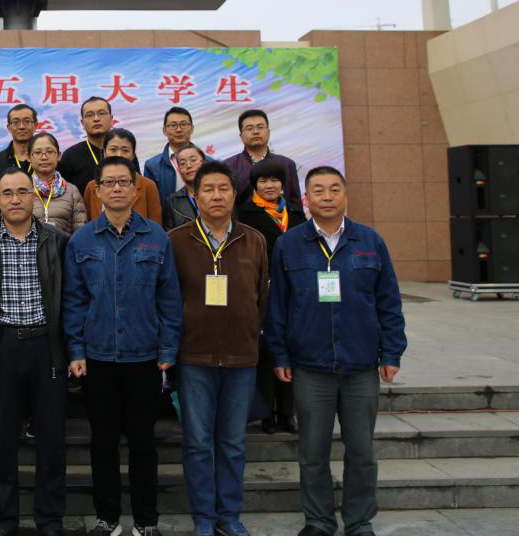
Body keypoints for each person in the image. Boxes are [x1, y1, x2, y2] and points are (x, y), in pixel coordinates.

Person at [265, 166, 407, 536]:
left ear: (345, 195)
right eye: (318, 190)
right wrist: (280, 354)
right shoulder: (289, 244)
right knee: (312, 452)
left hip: (360, 365)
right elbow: (278, 305)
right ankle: (318, 521)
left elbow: (388, 301)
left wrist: (391, 352)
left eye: (334, 189)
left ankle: (359, 521)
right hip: (310, 366)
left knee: (361, 452)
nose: (327, 197)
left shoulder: (369, 241)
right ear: (306, 199)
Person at [63, 156, 183, 536]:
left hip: (144, 357)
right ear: (97, 191)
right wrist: (76, 350)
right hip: (97, 357)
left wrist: (168, 350)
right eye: (109, 182)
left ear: (135, 189)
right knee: (103, 443)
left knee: (144, 444)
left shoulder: (157, 238)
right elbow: (74, 300)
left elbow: (169, 300)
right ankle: (108, 518)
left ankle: (146, 521)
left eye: (123, 182)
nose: (116, 188)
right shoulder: (81, 240)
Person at [169, 161, 270, 536]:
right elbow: (168, 299)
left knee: (232, 443)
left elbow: (262, 299)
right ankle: (204, 518)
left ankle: (229, 516)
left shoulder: (254, 240)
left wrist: (250, 333)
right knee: (198, 443)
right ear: (195, 197)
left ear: (234, 194)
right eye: (208, 189)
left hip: (241, 358)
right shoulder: (176, 240)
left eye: (223, 188)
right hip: (193, 357)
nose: (216, 196)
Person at [0, 167, 69, 536]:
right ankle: (5, 520)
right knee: (2, 440)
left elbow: (69, 299)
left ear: (33, 196)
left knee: (51, 440)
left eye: (22, 191)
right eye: (7, 193)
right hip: (3, 346)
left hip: (46, 346)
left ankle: (50, 519)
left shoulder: (57, 240)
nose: (15, 199)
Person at [235, 159, 307, 434]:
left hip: (293, 289)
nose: (269, 185)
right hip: (261, 289)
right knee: (265, 351)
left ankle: (288, 413)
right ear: (255, 185)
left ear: (283, 184)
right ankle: (266, 413)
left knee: (291, 348)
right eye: (263, 181)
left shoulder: (296, 214)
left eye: (274, 180)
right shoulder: (245, 213)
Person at [82, 129, 162, 225]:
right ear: (104, 152)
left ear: (133, 155)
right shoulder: (92, 187)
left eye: (125, 150)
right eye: (113, 149)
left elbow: (156, 225)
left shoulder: (148, 186)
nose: (119, 155)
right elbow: (88, 225)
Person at [223, 109, 302, 202]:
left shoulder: (286, 164)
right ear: (241, 136)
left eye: (260, 127)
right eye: (249, 128)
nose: (255, 131)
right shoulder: (228, 166)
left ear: (268, 132)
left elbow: (295, 203)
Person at [0, 103, 38, 214]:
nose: (21, 126)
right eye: (16, 122)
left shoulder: (47, 161)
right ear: (9, 127)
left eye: (27, 121)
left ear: (35, 125)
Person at [28, 132, 87, 234]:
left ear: (59, 156)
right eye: (37, 153)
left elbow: (80, 232)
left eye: (50, 152)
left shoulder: (71, 191)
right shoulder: (23, 190)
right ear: (29, 157)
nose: (44, 157)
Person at [58, 97, 114, 196]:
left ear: (111, 119)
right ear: (82, 123)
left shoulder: (123, 151)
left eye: (101, 113)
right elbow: (63, 195)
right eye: (89, 115)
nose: (96, 119)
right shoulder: (71, 155)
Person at [144, 106, 198, 208]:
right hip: (167, 217)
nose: (179, 129)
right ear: (164, 130)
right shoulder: (152, 166)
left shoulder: (207, 162)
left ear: (192, 128)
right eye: (173, 125)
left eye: (183, 124)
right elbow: (150, 203)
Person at [162, 144, 206, 230]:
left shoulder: (221, 191)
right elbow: (171, 234)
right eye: (183, 163)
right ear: (179, 170)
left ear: (204, 163)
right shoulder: (172, 202)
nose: (189, 165)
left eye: (193, 160)